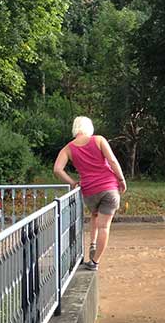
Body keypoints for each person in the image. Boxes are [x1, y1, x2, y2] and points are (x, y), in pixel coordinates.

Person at [53, 116, 128, 271]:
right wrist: (121, 179)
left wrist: (72, 182)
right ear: (89, 127)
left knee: (95, 215)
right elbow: (113, 161)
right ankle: (95, 261)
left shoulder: (68, 148)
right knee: (104, 227)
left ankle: (92, 243)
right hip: (109, 189)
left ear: (75, 129)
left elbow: (57, 169)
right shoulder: (99, 140)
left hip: (90, 192)